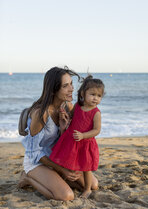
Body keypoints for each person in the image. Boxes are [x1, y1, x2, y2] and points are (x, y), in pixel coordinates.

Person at [18, 67, 98, 201]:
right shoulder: (40, 114)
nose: (72, 89)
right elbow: (33, 151)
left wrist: (63, 130)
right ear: (53, 90)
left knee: (93, 185)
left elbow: (68, 142)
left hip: (58, 157)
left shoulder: (68, 107)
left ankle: (55, 177)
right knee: (66, 196)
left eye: (71, 84)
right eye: (65, 86)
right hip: (37, 161)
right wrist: (62, 170)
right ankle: (27, 178)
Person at [49, 75, 104, 198]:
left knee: (85, 168)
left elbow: (96, 130)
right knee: (66, 161)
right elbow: (71, 116)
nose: (95, 98)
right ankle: (62, 179)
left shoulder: (96, 113)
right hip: (71, 140)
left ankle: (87, 189)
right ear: (83, 94)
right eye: (92, 94)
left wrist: (83, 135)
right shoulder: (78, 106)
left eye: (99, 96)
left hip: (85, 143)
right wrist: (65, 116)